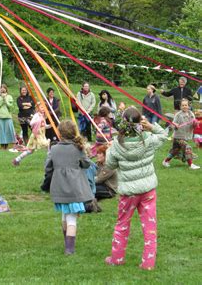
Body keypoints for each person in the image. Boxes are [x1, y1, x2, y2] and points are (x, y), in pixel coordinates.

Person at [104, 107, 167, 270]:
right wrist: (152, 126)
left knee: (122, 224)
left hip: (129, 192)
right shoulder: (149, 139)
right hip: (147, 190)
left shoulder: (117, 144)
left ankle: (117, 258)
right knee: (150, 225)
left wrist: (110, 148)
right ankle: (148, 263)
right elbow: (163, 135)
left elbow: (109, 164)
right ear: (140, 122)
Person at [45, 119, 93, 255]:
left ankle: (67, 244)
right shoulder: (78, 148)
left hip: (59, 186)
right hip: (75, 187)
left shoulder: (53, 149)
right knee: (71, 217)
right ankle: (69, 249)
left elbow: (47, 167)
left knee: (64, 214)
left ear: (59, 133)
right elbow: (87, 164)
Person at [162, 99, 199, 170]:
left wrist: (195, 123)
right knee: (187, 148)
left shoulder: (191, 113)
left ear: (188, 106)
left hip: (186, 136)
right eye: (183, 105)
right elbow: (172, 125)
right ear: (180, 106)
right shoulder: (178, 115)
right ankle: (191, 165)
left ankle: (165, 161)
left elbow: (194, 125)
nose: (184, 106)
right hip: (178, 137)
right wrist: (175, 125)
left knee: (175, 151)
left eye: (186, 105)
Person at [0, 84, 16, 150]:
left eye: (4, 87)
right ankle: (2, 146)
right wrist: (2, 99)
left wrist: (5, 99)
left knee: (8, 131)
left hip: (7, 116)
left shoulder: (9, 97)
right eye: (1, 88)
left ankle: (6, 145)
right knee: (1, 131)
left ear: (6, 89)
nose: (2, 89)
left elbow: (10, 106)